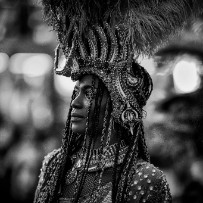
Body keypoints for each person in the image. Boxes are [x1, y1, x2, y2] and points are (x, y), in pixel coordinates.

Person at [34, 1, 203, 202]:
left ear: (118, 102)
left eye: (89, 94)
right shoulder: (54, 165)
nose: (75, 103)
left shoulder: (143, 179)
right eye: (76, 92)